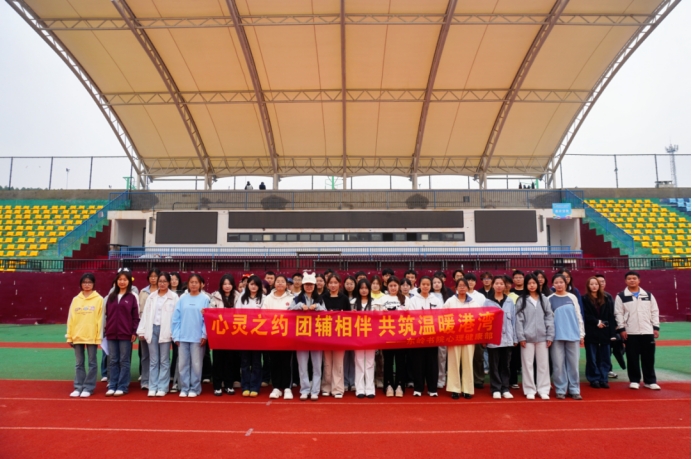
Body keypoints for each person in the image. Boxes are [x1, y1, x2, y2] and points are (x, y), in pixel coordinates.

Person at [614, 271, 661, 390]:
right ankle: (634, 380)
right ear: (625, 281)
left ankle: (650, 381)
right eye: (629, 278)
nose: (632, 280)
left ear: (639, 280)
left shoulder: (648, 295)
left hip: (647, 331)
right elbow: (618, 313)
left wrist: (655, 327)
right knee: (632, 357)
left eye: (634, 278)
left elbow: (654, 311)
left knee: (648, 357)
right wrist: (622, 329)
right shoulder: (621, 296)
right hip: (630, 332)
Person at [137, 272, 178, 397]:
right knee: (153, 360)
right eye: (160, 281)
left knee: (164, 360)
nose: (162, 283)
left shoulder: (174, 297)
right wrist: (142, 330)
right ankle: (152, 386)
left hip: (165, 330)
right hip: (152, 329)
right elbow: (145, 314)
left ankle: (162, 387)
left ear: (169, 282)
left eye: (165, 281)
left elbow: (176, 316)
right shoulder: (152, 296)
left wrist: (174, 332)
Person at [515, 274, 554, 400]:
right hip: (527, 338)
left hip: (543, 337)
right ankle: (529, 389)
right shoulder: (522, 300)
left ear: (538, 284)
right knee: (527, 365)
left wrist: (550, 335)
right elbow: (519, 320)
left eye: (534, 283)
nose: (531, 285)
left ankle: (543, 389)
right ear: (526, 285)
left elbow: (549, 317)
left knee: (543, 365)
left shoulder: (544, 299)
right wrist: (521, 337)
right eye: (529, 283)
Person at [289, 272, 326, 400]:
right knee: (302, 366)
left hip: (317, 337)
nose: (309, 287)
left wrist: (318, 307)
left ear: (315, 286)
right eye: (306, 284)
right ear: (303, 285)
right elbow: (288, 312)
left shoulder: (320, 299)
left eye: (311, 285)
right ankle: (304, 390)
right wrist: (299, 306)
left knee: (317, 366)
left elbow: (327, 314)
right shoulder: (297, 299)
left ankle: (315, 390)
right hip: (302, 337)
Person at [66, 273, 104, 398]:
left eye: (89, 282)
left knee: (92, 363)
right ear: (81, 284)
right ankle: (78, 387)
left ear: (93, 284)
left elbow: (101, 319)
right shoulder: (76, 299)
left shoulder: (99, 299)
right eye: (84, 282)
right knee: (79, 363)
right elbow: (71, 318)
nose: (87, 285)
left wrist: (98, 336)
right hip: (77, 335)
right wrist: (69, 336)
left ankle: (88, 387)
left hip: (92, 336)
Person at [171, 274, 208, 398]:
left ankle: (195, 388)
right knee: (182, 364)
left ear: (201, 284)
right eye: (191, 282)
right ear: (188, 284)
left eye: (196, 282)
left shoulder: (205, 299)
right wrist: (176, 336)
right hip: (183, 337)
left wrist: (204, 335)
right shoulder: (182, 299)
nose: (193, 284)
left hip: (197, 338)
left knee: (196, 365)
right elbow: (176, 318)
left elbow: (207, 319)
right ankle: (184, 387)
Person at [549, 274, 585, 400]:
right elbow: (548, 319)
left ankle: (574, 389)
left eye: (561, 282)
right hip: (556, 337)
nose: (559, 284)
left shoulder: (572, 297)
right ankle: (560, 389)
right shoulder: (549, 299)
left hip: (573, 335)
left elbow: (578, 315)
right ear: (553, 284)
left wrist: (581, 334)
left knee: (573, 365)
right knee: (558, 365)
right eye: (556, 282)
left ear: (566, 283)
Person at [373, 276, 410, 398]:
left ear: (398, 286)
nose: (393, 288)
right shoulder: (382, 299)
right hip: (386, 334)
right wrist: (381, 313)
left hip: (401, 335)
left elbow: (412, 316)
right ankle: (388, 385)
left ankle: (399, 385)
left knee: (400, 361)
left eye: (395, 285)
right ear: (387, 286)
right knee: (388, 361)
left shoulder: (405, 299)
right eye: (391, 286)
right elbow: (374, 315)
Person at [104, 271, 139, 397]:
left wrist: (134, 331)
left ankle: (122, 386)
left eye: (125, 279)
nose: (122, 282)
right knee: (113, 360)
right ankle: (112, 385)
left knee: (124, 361)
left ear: (129, 282)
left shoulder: (132, 297)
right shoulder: (111, 297)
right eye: (120, 279)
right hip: (111, 333)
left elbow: (135, 317)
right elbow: (107, 315)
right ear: (116, 281)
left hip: (126, 334)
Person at [444, 278, 479, 400]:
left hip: (469, 336)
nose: (462, 287)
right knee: (453, 362)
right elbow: (442, 317)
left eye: (464, 285)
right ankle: (455, 389)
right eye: (460, 285)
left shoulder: (473, 302)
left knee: (468, 362)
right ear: (456, 288)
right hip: (454, 336)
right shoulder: (450, 301)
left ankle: (467, 389)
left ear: (468, 288)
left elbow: (478, 318)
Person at [484, 276, 517, 400]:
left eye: (501, 283)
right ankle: (496, 388)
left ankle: (505, 388)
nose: (499, 286)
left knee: (505, 365)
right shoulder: (487, 302)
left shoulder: (510, 301)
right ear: (493, 285)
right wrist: (485, 338)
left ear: (505, 286)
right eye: (496, 283)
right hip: (493, 339)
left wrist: (515, 338)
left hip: (507, 339)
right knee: (494, 365)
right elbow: (484, 322)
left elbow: (514, 321)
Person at [408, 276, 442, 397]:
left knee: (432, 363)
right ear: (419, 285)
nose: (426, 286)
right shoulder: (413, 300)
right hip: (418, 336)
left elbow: (440, 316)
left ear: (430, 286)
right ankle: (418, 388)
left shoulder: (436, 300)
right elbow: (411, 316)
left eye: (428, 284)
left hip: (432, 336)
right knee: (418, 362)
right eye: (423, 284)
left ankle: (432, 388)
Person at [263, 274, 294, 400]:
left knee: (286, 362)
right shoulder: (268, 298)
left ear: (286, 284)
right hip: (273, 335)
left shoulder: (292, 298)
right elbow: (263, 315)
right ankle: (276, 387)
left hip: (288, 336)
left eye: (282, 281)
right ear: (274, 284)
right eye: (278, 281)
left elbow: (295, 315)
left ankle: (287, 387)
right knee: (274, 362)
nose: (280, 283)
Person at [582, 276, 616, 389]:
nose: (594, 286)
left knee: (605, 357)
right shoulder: (584, 299)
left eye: (596, 284)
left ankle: (603, 378)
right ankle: (594, 379)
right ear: (588, 286)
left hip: (604, 332)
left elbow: (611, 316)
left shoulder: (606, 298)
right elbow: (584, 315)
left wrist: (612, 333)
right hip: (591, 332)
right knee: (592, 357)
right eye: (591, 284)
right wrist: (597, 322)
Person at [209, 274, 240, 396]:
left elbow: (241, 313)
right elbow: (211, 312)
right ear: (221, 285)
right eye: (225, 284)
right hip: (218, 333)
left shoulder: (238, 297)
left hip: (232, 333)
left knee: (230, 360)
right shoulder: (215, 297)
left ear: (233, 285)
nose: (227, 286)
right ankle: (217, 386)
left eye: (229, 284)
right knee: (218, 360)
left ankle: (228, 385)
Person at [321, 274, 351, 399]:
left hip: (340, 335)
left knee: (338, 363)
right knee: (327, 363)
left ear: (339, 284)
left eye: (335, 282)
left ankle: (338, 388)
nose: (333, 285)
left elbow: (349, 317)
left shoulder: (344, 299)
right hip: (326, 334)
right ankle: (326, 387)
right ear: (327, 284)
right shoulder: (322, 298)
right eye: (331, 283)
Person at [235, 275, 264, 397]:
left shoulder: (263, 298)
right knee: (245, 362)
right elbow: (237, 314)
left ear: (259, 286)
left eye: (256, 284)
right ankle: (245, 386)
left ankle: (255, 386)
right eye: (251, 284)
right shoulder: (242, 298)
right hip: (244, 334)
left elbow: (266, 315)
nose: (253, 287)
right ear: (247, 285)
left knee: (257, 362)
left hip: (258, 335)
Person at [595, 273, 624, 378]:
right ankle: (596, 370)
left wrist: (615, 326)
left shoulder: (608, 296)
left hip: (608, 328)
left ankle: (607, 369)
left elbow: (613, 312)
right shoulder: (589, 297)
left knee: (608, 349)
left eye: (603, 281)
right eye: (598, 282)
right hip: (595, 328)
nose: (601, 283)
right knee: (596, 350)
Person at [137, 268, 160, 391]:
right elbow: (139, 311)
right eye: (151, 276)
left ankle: (156, 380)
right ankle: (145, 380)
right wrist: (141, 328)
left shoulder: (163, 291)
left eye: (155, 276)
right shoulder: (143, 292)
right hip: (145, 327)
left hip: (158, 327)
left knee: (158, 356)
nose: (153, 278)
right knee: (145, 355)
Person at [354, 279, 376, 398]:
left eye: (366, 288)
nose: (364, 290)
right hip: (357, 336)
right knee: (359, 362)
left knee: (370, 362)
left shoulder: (375, 303)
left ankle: (370, 389)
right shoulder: (353, 303)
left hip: (371, 336)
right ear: (358, 289)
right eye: (361, 288)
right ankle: (360, 389)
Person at [465, 273, 488, 390]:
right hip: (463, 330)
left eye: (472, 280)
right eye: (468, 280)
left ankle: (478, 379)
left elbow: (485, 314)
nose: (470, 282)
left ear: (475, 282)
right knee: (464, 357)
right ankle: (465, 380)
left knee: (478, 357)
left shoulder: (481, 296)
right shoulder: (458, 295)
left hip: (478, 330)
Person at [432, 275, 452, 389]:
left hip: (443, 329)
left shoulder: (447, 297)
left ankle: (441, 379)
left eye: (438, 282)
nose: (436, 284)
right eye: (434, 282)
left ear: (442, 284)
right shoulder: (428, 296)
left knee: (442, 356)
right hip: (429, 329)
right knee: (431, 356)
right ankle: (431, 378)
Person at [168, 272, 185, 392]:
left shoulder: (183, 294)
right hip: (166, 326)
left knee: (177, 353)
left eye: (176, 279)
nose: (174, 281)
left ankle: (175, 376)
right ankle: (169, 375)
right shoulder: (165, 293)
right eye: (172, 279)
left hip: (179, 327)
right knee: (165, 355)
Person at [342, 276, 357, 392]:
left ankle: (353, 381)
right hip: (343, 330)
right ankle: (345, 382)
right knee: (344, 357)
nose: (349, 286)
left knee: (353, 357)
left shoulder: (359, 298)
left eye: (351, 283)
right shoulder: (341, 297)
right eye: (347, 283)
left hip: (356, 331)